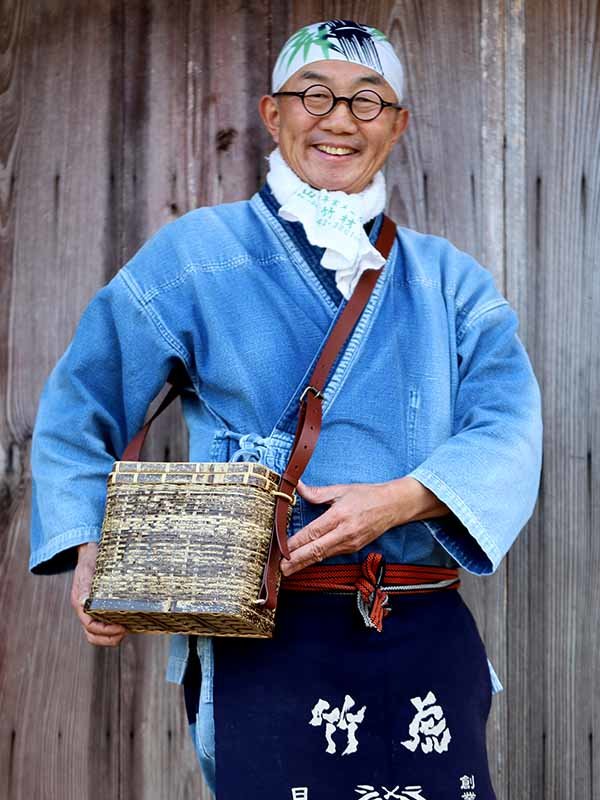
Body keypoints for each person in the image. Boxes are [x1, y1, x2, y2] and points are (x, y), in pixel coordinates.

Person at [29, 18, 543, 800]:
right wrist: (89, 541)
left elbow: (508, 422)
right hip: (259, 628)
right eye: (315, 94)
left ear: (397, 127)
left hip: (415, 617)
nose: (339, 119)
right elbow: (80, 407)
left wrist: (403, 498)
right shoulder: (194, 255)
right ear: (274, 114)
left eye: (368, 102)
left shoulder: (452, 282)